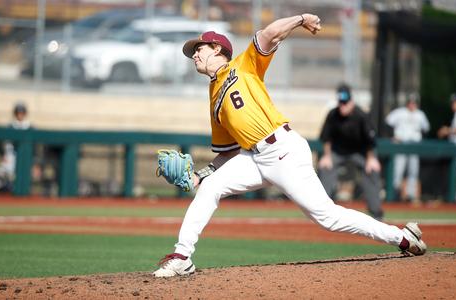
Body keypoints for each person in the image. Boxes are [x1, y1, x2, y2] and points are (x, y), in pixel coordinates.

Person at [153, 13, 426, 278]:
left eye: (198, 49)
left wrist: (300, 19)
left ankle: (401, 237)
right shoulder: (213, 98)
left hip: (283, 150)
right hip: (254, 158)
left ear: (217, 48)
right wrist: (202, 175)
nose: (195, 55)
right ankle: (182, 257)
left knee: (327, 218)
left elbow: (269, 34)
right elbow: (229, 153)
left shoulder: (243, 65)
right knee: (211, 187)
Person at [317, 83, 384, 220]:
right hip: (338, 152)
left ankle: (376, 211)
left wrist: (371, 159)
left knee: (372, 169)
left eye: (346, 103)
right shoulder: (333, 114)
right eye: (341, 103)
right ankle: (321, 210)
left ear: (352, 102)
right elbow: (326, 138)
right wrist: (327, 156)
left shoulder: (361, 115)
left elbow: (370, 140)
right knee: (325, 167)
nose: (343, 106)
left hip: (360, 152)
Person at [385, 94, 430, 202]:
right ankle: (394, 194)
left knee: (413, 171)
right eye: (410, 102)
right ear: (407, 102)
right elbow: (387, 122)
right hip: (401, 144)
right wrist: (392, 136)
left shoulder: (420, 114)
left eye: (414, 102)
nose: (412, 104)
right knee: (398, 170)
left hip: (414, 145)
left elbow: (426, 129)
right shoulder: (400, 112)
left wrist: (420, 139)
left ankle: (410, 196)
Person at [0, 102, 32, 192]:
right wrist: (3, 154)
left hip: (24, 158)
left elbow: (35, 148)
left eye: (22, 113)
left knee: (20, 178)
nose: (20, 115)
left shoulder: (29, 127)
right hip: (11, 157)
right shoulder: (10, 126)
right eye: (18, 113)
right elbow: (2, 144)